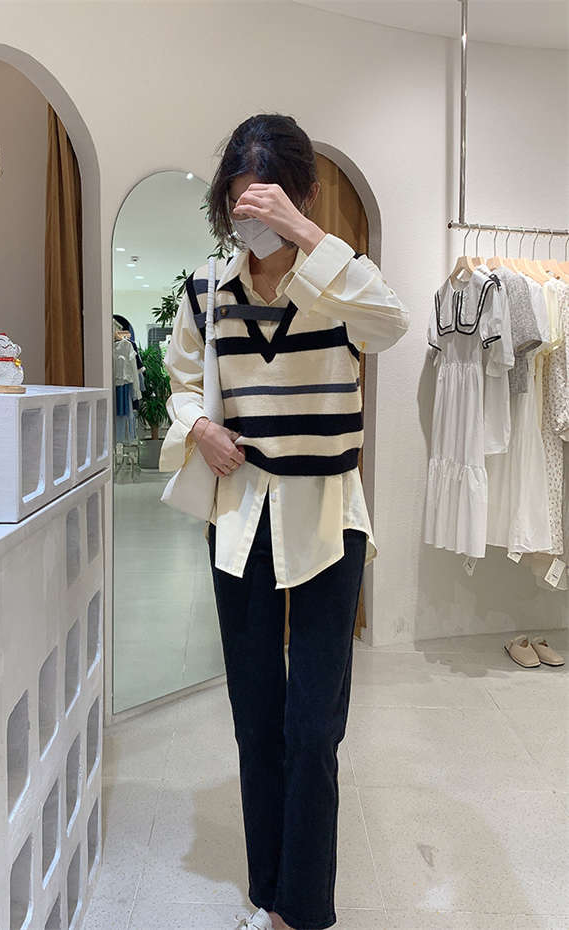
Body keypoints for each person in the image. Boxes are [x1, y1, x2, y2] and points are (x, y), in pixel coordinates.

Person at [160, 114, 409, 930]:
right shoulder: (207, 289)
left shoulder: (340, 283)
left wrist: (306, 235)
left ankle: (300, 908)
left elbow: (392, 323)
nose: (253, 221)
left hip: (330, 516)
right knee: (256, 716)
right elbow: (182, 382)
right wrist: (199, 426)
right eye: (241, 205)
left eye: (268, 203)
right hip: (242, 517)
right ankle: (269, 893)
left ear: (303, 195)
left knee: (313, 726)